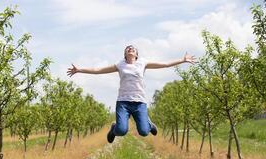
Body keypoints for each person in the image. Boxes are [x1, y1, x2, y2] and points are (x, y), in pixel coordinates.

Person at [67, 45, 195, 143]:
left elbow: (165, 64)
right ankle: (114, 128)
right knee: (121, 131)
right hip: (123, 102)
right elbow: (98, 70)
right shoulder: (120, 65)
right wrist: (79, 70)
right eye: (128, 48)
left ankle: (149, 124)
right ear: (125, 54)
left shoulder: (143, 63)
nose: (130, 49)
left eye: (133, 48)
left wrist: (182, 60)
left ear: (136, 54)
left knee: (144, 132)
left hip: (139, 102)